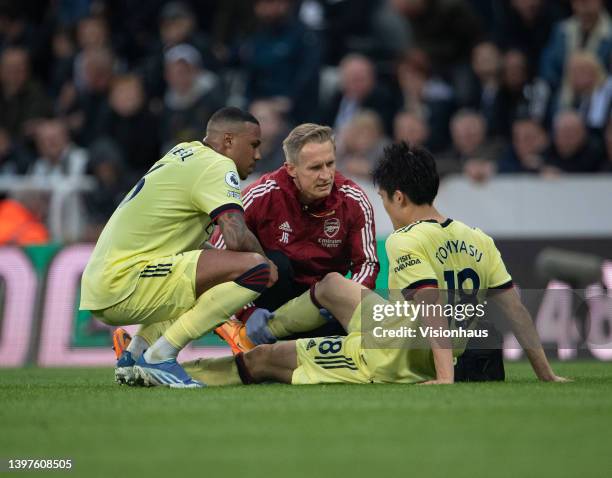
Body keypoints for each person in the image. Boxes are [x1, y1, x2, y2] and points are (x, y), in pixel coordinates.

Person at [182, 142, 568, 386]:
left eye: (384, 200)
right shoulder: (479, 239)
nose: (385, 208)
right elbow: (515, 310)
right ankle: (267, 327)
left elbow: (430, 305)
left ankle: (175, 376)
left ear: (399, 197)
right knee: (333, 284)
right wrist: (545, 373)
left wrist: (444, 377)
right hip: (395, 327)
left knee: (263, 362)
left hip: (386, 355)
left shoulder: (406, 240)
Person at [80, 107, 278, 388]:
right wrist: (265, 262)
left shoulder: (184, 152)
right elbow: (235, 236)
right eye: (254, 145)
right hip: (124, 281)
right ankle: (161, 356)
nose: (257, 155)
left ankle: (134, 356)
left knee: (209, 272)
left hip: (103, 283)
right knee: (254, 268)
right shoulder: (216, 165)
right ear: (229, 141)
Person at [212, 123, 379, 352]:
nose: (325, 176)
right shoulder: (261, 195)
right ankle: (251, 340)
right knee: (275, 263)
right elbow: (219, 255)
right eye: (314, 168)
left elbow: (367, 264)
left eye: (330, 164)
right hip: (269, 309)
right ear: (291, 169)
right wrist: (246, 310)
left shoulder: (353, 200)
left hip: (323, 308)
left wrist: (344, 298)